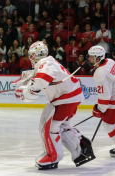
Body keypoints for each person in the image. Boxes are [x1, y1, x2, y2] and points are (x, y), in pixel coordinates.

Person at [14, 41, 95, 169]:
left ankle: (53, 156)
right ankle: (81, 150)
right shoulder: (47, 62)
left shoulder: (45, 63)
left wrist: (27, 91)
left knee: (50, 126)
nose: (30, 57)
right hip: (69, 96)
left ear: (37, 54)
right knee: (63, 125)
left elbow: (41, 79)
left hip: (65, 98)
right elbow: (34, 76)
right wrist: (22, 83)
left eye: (32, 54)